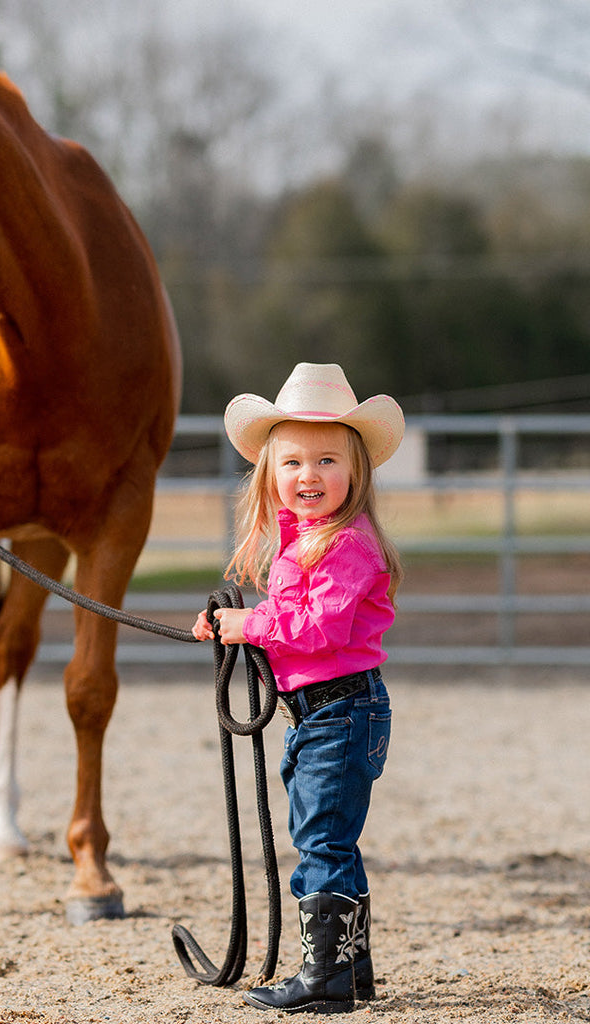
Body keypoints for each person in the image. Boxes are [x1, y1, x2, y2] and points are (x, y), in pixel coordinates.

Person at [192, 362, 405, 1014]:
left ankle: (328, 979)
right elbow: (290, 624)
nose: (307, 475)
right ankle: (351, 971)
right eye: (292, 463)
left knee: (322, 844)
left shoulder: (348, 546)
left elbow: (317, 626)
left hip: (340, 714)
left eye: (326, 460)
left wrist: (248, 624)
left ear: (355, 471)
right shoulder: (307, 542)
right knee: (330, 838)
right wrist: (233, 629)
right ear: (270, 474)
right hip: (322, 715)